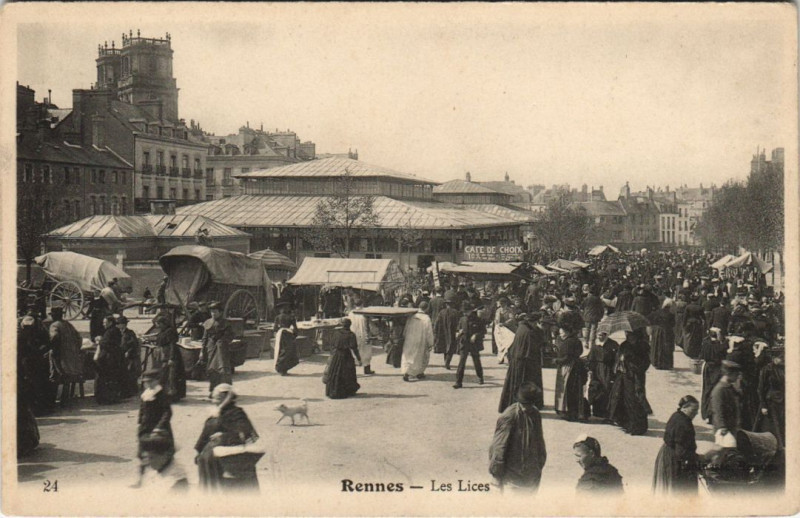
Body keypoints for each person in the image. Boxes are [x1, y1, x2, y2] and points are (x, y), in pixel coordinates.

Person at [195, 384, 261, 491]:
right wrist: (199, 451)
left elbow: (244, 432)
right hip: (209, 460)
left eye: (217, 397)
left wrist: (224, 436)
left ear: (225, 398)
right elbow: (205, 433)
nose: (213, 399)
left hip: (226, 460)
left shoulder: (236, 413)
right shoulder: (216, 413)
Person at [489, 383, 547, 493]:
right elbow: (499, 446)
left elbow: (540, 441)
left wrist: (540, 464)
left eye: (530, 404)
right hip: (512, 479)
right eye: (525, 404)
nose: (528, 407)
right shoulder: (509, 416)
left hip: (532, 476)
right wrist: (496, 475)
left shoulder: (535, 413)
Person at [498, 313, 545, 412]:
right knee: (525, 385)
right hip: (525, 363)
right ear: (534, 322)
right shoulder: (529, 332)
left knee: (514, 383)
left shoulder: (521, 328)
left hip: (517, 360)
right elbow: (534, 348)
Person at [653, 395, 700, 494]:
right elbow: (681, 451)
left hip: (667, 452)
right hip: (673, 458)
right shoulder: (683, 423)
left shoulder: (677, 415)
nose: (696, 413)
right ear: (684, 408)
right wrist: (696, 459)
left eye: (697, 410)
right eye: (693, 410)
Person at [136, 368, 174, 487]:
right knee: (143, 453)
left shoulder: (161, 394)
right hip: (146, 428)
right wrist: (139, 422)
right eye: (146, 381)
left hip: (158, 429)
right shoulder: (146, 393)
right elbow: (142, 410)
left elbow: (167, 412)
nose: (147, 384)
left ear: (157, 381)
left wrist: (159, 427)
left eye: (150, 381)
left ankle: (164, 477)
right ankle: (141, 479)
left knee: (160, 454)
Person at [608, 329, 650, 435]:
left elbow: (645, 363)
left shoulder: (643, 346)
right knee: (622, 399)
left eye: (630, 334)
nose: (627, 335)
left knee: (635, 400)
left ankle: (637, 426)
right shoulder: (624, 344)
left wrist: (631, 359)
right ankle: (626, 423)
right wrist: (620, 360)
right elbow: (618, 358)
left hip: (635, 377)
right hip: (623, 376)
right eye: (627, 334)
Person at [48, 304, 85, 405]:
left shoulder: (54, 325)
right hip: (70, 357)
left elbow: (54, 337)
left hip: (60, 356)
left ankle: (52, 401)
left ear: (54, 316)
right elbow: (79, 338)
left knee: (54, 376)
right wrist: (75, 349)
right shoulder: (68, 324)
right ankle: (65, 400)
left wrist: (51, 347)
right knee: (67, 379)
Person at [553, 314, 587, 421]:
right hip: (575, 367)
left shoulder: (569, 342)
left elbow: (567, 357)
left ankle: (569, 412)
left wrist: (557, 360)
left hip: (569, 368)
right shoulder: (574, 340)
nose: (560, 332)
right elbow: (580, 352)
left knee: (567, 389)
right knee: (574, 390)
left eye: (562, 331)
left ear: (567, 332)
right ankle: (575, 412)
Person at [585, 330, 618, 419]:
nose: (600, 337)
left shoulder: (613, 344)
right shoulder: (595, 346)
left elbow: (616, 358)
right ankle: (597, 411)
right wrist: (590, 369)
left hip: (608, 370)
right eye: (598, 335)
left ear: (606, 335)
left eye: (602, 335)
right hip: (597, 369)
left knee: (607, 388)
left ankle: (606, 411)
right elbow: (590, 358)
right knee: (596, 388)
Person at [754, 349, 784, 448]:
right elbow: (760, 388)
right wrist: (763, 405)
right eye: (779, 358)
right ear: (773, 358)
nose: (781, 360)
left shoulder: (783, 368)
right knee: (770, 427)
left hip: (781, 402)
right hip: (770, 402)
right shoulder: (767, 369)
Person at [325, 319, 362, 399]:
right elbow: (354, 348)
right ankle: (348, 390)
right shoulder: (351, 335)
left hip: (336, 355)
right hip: (346, 355)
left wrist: (332, 354)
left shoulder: (336, 333)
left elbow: (332, 344)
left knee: (335, 372)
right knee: (348, 373)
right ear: (349, 325)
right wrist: (359, 359)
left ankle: (333, 390)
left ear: (342, 325)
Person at [710, 360, 743, 447]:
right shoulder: (720, 390)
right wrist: (722, 427)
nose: (737, 377)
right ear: (728, 374)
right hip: (724, 430)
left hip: (731, 426)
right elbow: (717, 410)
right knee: (723, 454)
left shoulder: (729, 387)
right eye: (736, 374)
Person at [93, 315, 125, 404]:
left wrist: (99, 341)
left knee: (104, 378)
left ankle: (104, 399)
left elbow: (105, 344)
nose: (103, 324)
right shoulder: (115, 330)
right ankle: (112, 398)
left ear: (110, 323)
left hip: (108, 358)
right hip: (114, 357)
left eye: (105, 322)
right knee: (111, 379)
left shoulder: (110, 332)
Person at [452, 302, 485, 389]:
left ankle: (480, 377)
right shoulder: (462, 319)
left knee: (476, 361)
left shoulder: (478, 319)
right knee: (461, 362)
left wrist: (476, 335)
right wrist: (458, 332)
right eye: (464, 312)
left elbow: (483, 331)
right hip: (464, 343)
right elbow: (458, 329)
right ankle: (458, 382)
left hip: (474, 344)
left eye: (466, 311)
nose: (465, 313)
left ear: (471, 310)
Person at [154, 313, 186, 403]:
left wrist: (171, 358)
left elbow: (172, 345)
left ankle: (173, 395)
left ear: (163, 323)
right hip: (164, 354)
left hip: (171, 354)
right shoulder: (162, 331)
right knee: (165, 375)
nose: (157, 325)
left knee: (171, 376)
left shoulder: (170, 331)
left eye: (159, 323)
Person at [204, 302, 235, 391]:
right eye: (212, 312)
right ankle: (213, 391)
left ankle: (225, 390)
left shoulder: (225, 323)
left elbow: (231, 336)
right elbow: (205, 338)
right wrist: (202, 351)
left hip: (221, 349)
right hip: (211, 348)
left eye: (215, 312)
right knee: (212, 370)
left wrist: (222, 341)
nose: (213, 314)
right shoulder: (207, 322)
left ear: (220, 312)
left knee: (223, 369)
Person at [699, 327, 727, 424]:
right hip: (717, 369)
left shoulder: (705, 343)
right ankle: (712, 415)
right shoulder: (719, 346)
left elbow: (702, 355)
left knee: (707, 390)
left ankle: (706, 413)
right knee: (715, 391)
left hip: (708, 368)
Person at [401, 302, 434, 382]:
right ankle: (419, 372)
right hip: (420, 339)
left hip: (410, 338)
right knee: (420, 357)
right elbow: (429, 332)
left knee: (408, 356)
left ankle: (407, 372)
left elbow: (406, 328)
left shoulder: (411, 316)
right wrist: (430, 343)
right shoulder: (426, 318)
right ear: (426, 308)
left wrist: (404, 336)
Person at [433, 293, 461, 370]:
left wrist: (436, 332)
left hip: (443, 333)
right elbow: (459, 323)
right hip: (452, 332)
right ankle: (447, 362)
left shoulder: (442, 312)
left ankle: (446, 360)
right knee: (451, 347)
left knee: (445, 346)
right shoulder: (456, 312)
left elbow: (437, 323)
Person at [347, 298, 373, 375]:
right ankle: (367, 369)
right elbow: (368, 325)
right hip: (364, 334)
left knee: (354, 351)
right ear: (362, 304)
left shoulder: (351, 313)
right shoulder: (365, 313)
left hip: (354, 334)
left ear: (354, 305)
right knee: (366, 351)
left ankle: (353, 371)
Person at [117, 315, 141, 398]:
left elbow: (134, 344)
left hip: (130, 355)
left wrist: (128, 352)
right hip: (120, 354)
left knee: (131, 371)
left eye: (123, 323)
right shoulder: (117, 332)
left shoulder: (130, 333)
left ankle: (132, 390)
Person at [273, 306, 299, 377]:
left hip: (280, 335)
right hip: (288, 335)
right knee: (289, 351)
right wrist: (294, 335)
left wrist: (277, 332)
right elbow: (295, 328)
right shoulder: (291, 317)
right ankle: (285, 369)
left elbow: (275, 328)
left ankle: (280, 368)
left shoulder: (277, 317)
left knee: (280, 350)